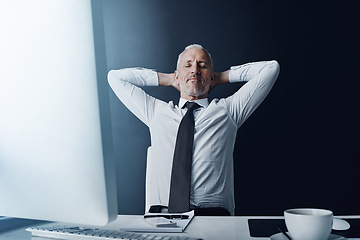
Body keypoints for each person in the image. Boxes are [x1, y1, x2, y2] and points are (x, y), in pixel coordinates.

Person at [108, 44, 280, 216]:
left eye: (202, 66)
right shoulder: (157, 113)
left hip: (213, 216)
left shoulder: (227, 111)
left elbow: (271, 69)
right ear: (177, 75)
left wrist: (220, 77)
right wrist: (168, 79)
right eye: (188, 65)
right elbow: (115, 78)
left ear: (211, 77)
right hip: (162, 216)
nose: (195, 70)